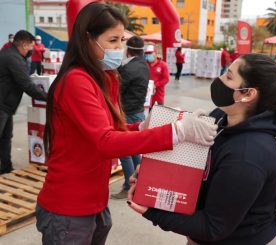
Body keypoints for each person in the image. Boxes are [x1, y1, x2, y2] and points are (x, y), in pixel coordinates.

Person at [35, 3, 217, 244]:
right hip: (70, 204)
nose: (119, 48)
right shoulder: (76, 81)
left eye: (121, 39)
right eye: (112, 40)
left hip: (94, 199)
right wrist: (177, 132)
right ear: (87, 38)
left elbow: (108, 130)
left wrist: (141, 127)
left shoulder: (101, 77)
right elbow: (106, 142)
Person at [128, 54, 276, 245]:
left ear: (248, 94)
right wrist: (154, 176)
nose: (218, 80)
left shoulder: (247, 156)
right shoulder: (221, 117)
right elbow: (199, 168)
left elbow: (213, 227)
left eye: (228, 76)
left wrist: (152, 210)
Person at [0, 30, 47, 174]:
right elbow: (26, 84)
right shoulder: (13, 58)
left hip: (6, 106)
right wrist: (50, 97)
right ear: (24, 44)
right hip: (1, 105)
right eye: (31, 46)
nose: (32, 49)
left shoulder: (10, 54)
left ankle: (5, 168)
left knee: (6, 138)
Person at [111, 36, 149, 199]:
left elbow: (116, 91)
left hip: (127, 112)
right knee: (134, 150)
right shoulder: (144, 65)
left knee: (124, 150)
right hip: (138, 111)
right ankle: (138, 182)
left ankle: (128, 186)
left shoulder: (128, 69)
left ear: (128, 49)